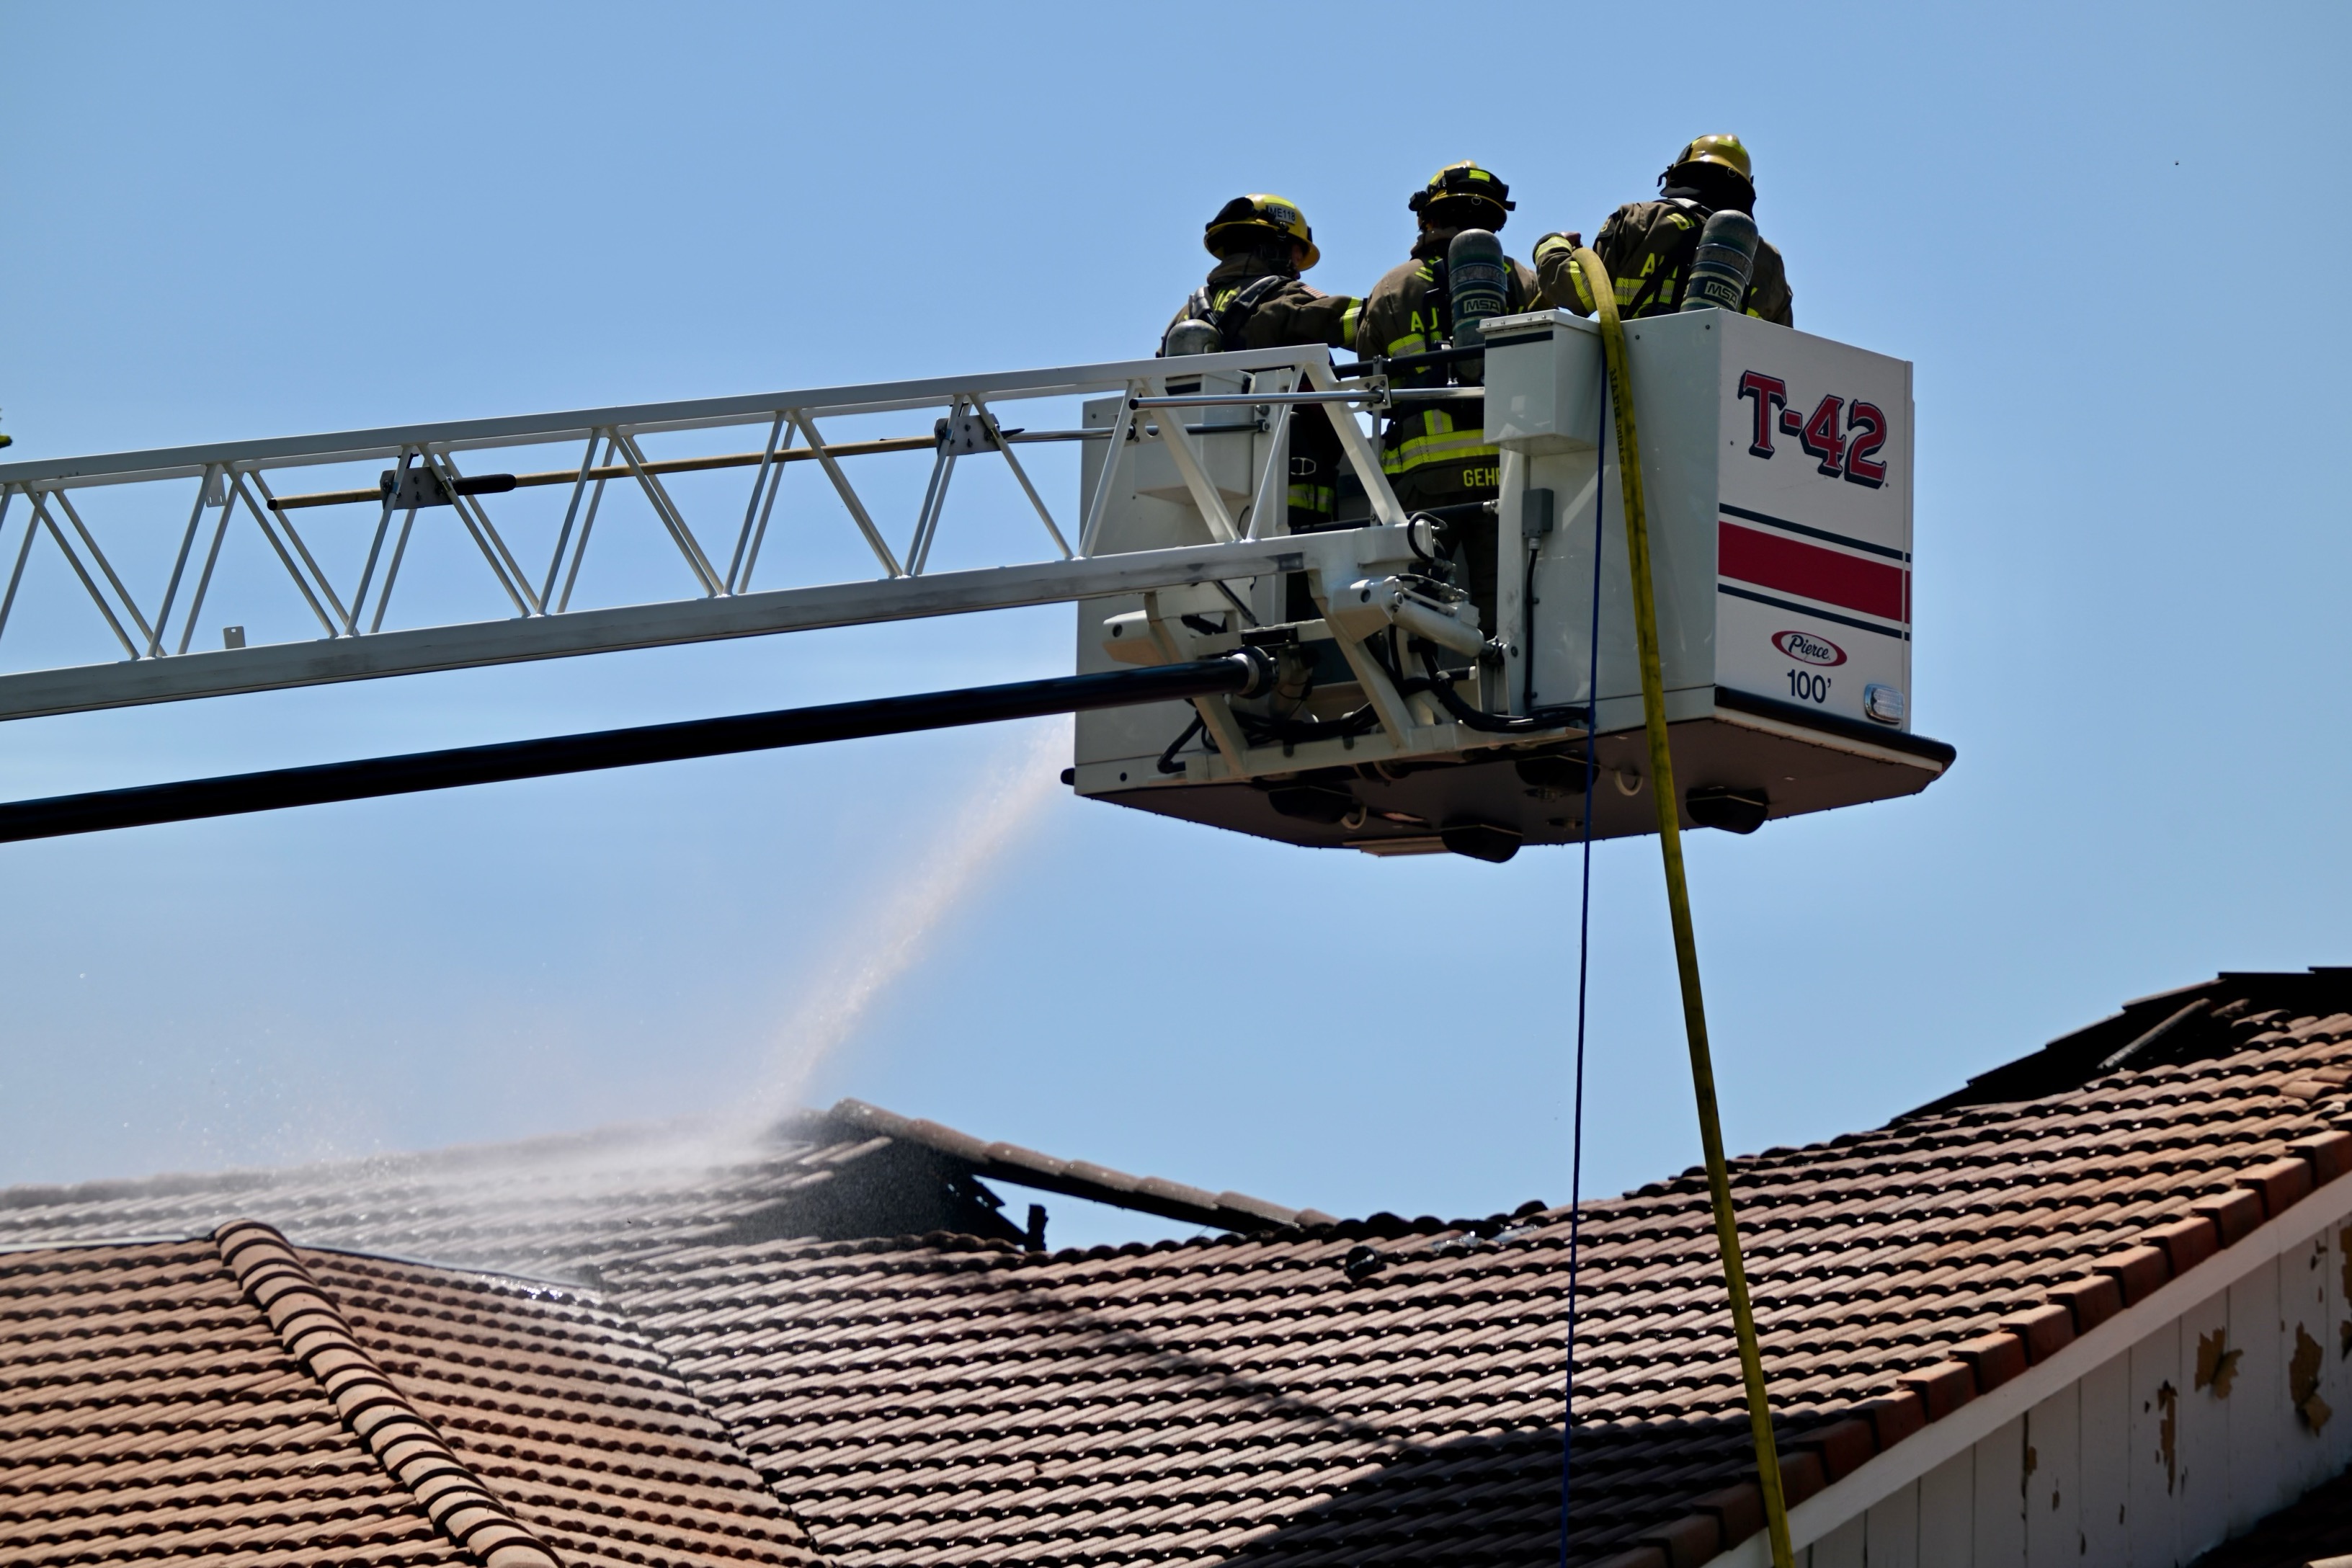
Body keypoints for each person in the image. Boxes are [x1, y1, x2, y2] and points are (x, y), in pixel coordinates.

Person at [1355, 161, 1542, 620]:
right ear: (1497, 220)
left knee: (1418, 610)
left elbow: (1367, 384)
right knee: (1510, 613)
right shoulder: (1525, 283)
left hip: (1425, 482)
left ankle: (1419, 684)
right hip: (1507, 474)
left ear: (1429, 218)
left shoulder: (1391, 289)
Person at [1162, 195, 1360, 533]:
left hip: (1201, 499)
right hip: (1291, 497)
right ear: (1273, 246)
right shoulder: (1288, 298)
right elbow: (1368, 322)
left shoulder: (1183, 319)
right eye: (1297, 251)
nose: (1298, 263)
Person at [1533, 134, 1794, 326]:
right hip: (1728, 397)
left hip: (1631, 390)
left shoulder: (1639, 219)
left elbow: (1576, 293)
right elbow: (1782, 355)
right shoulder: (1769, 262)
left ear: (1678, 174)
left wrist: (1552, 246)